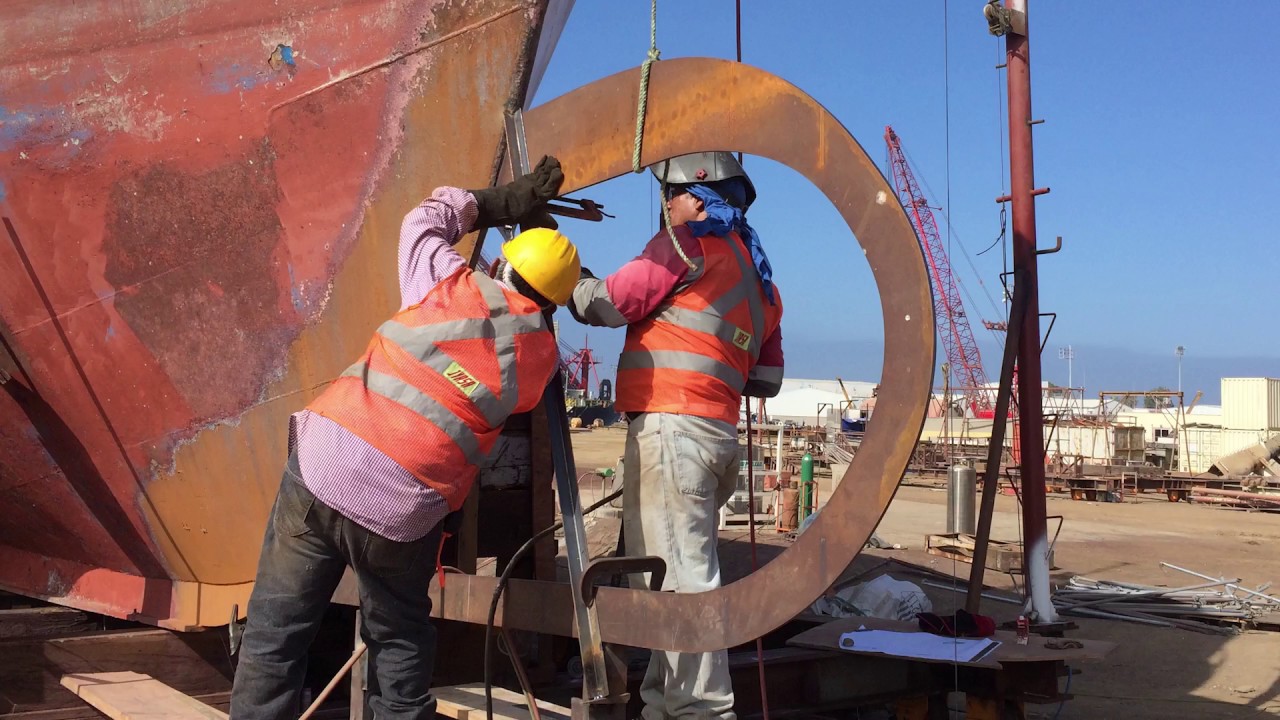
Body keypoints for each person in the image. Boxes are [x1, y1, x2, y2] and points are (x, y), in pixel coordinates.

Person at [229, 156, 580, 720]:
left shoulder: (444, 281)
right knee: (399, 639)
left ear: (502, 265)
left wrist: (501, 201)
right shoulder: (539, 365)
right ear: (552, 305)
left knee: (275, 634)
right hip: (402, 505)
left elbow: (426, 216)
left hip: (324, 461)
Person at [566, 151, 783, 720]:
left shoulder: (686, 244)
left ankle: (703, 710)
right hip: (714, 437)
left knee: (682, 580)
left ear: (698, 196)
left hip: (673, 429)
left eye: (671, 194)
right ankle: (665, 704)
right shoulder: (763, 284)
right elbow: (767, 379)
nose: (665, 206)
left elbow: (607, 303)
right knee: (667, 573)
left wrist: (564, 277)